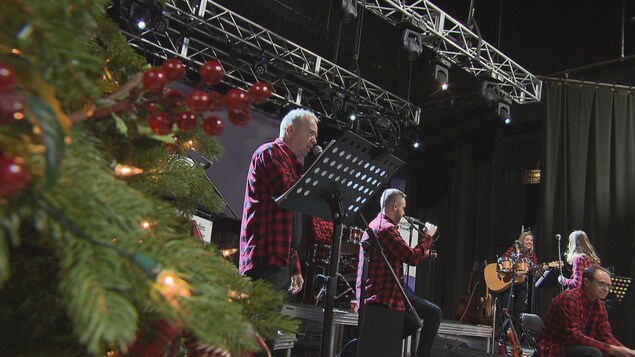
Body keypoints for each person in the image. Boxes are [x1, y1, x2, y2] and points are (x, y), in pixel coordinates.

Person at [239, 108, 318, 295]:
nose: (315, 141)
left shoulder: (293, 166)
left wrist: (294, 267)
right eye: (311, 134)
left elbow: (287, 224)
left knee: (266, 323)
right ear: (290, 130)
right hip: (264, 261)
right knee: (257, 322)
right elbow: (288, 193)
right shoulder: (269, 153)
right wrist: (318, 177)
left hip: (277, 263)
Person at [355, 188, 442, 357]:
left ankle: (380, 342)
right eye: (402, 208)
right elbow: (410, 256)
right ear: (394, 206)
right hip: (382, 297)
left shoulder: (378, 225)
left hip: (391, 294)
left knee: (415, 321)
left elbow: (405, 254)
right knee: (432, 314)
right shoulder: (386, 228)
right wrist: (427, 237)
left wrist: (420, 254)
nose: (404, 212)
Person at [536, 267, 635, 357]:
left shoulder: (599, 305)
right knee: (594, 353)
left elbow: (605, 335)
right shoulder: (570, 299)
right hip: (554, 347)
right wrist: (612, 349)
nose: (606, 289)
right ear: (586, 282)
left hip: (573, 345)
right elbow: (573, 336)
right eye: (601, 284)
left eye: (608, 286)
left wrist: (626, 351)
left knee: (613, 353)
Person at [498, 231, 545, 334]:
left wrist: (542, 269)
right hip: (509, 284)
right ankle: (504, 337)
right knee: (507, 311)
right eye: (527, 239)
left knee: (519, 313)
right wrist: (514, 269)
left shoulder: (532, 256)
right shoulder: (513, 250)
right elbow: (502, 262)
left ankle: (517, 339)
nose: (529, 242)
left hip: (522, 285)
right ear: (521, 240)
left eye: (531, 240)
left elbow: (535, 273)